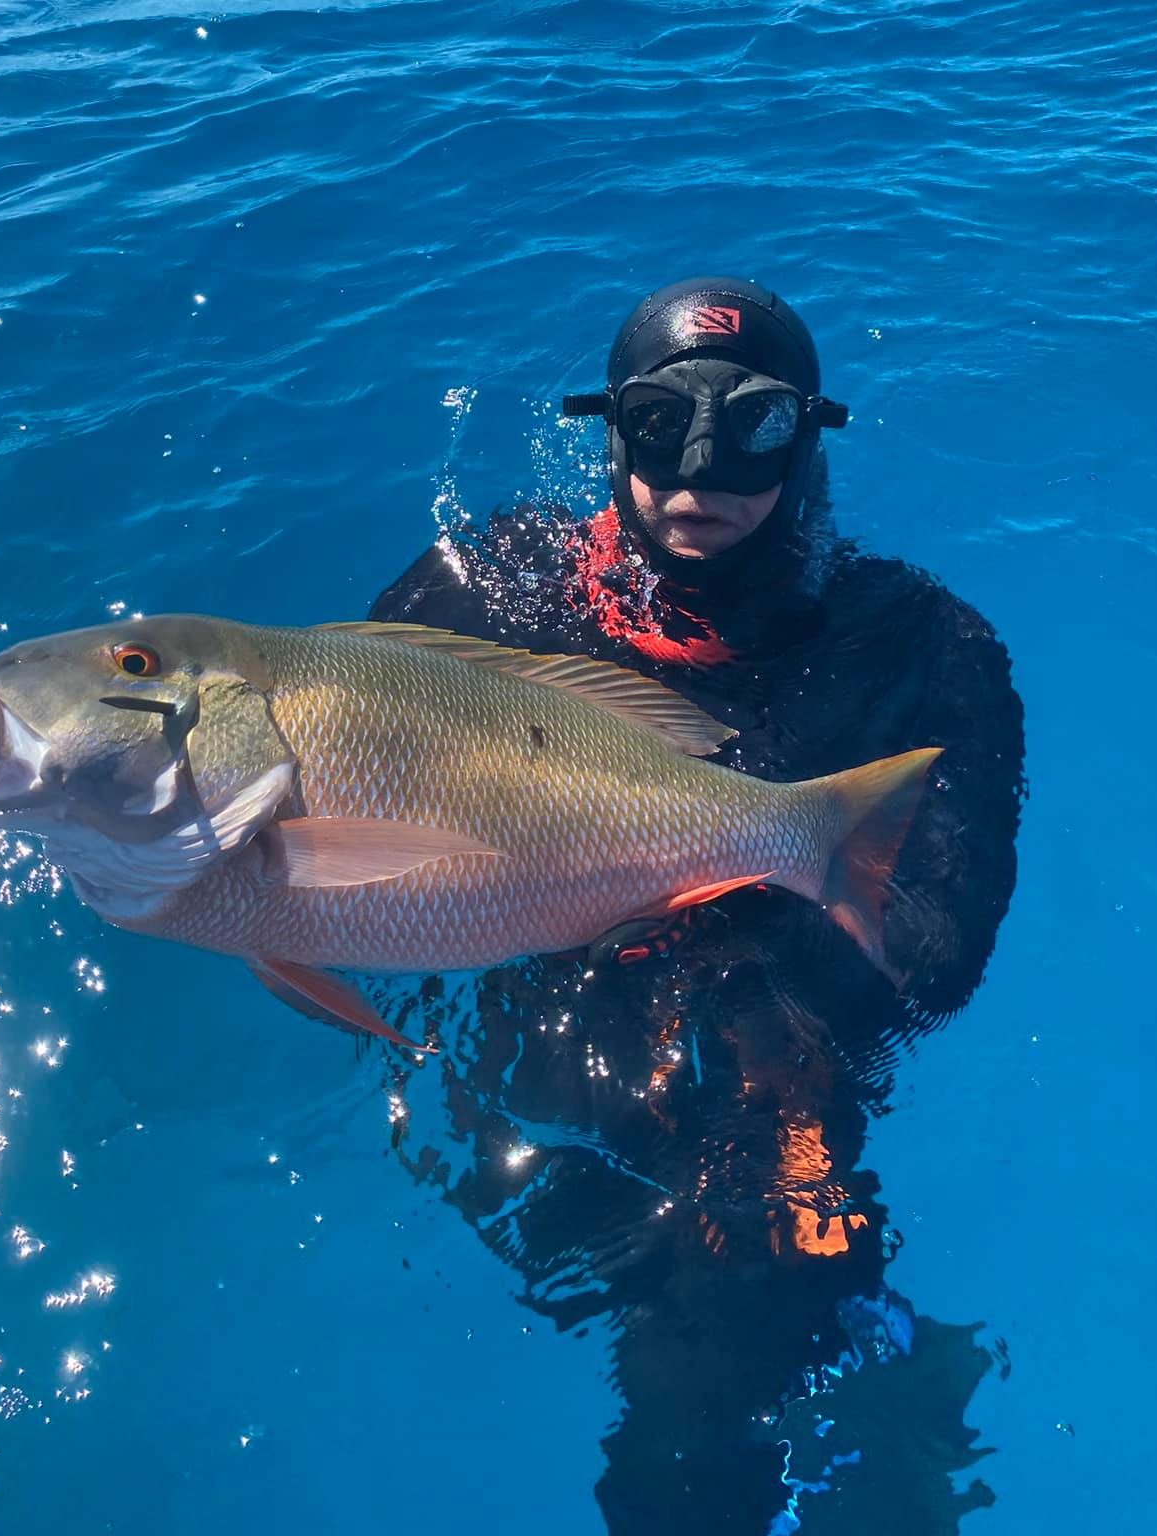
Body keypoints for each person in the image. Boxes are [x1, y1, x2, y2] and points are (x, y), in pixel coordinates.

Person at [369, 277, 1025, 1533]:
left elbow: (938, 952)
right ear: (611, 428)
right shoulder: (480, 593)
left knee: (713, 1387)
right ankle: (877, 1368)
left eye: (754, 423)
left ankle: (876, 1401)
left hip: (768, 1076)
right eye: (662, 422)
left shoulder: (921, 650)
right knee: (601, 1289)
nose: (701, 469)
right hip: (539, 1047)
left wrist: (740, 988)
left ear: (808, 436)